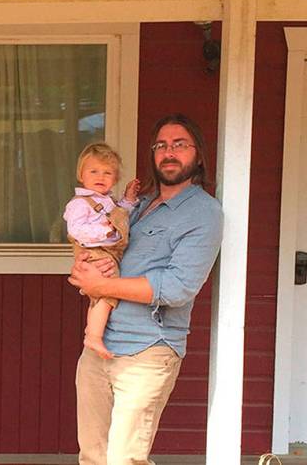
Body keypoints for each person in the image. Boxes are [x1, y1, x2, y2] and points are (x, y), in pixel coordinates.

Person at [69, 114, 223, 465]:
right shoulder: (138, 205)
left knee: (125, 459)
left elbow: (178, 287)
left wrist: (103, 284)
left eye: (179, 144)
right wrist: (84, 268)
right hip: (99, 347)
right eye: (161, 145)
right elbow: (106, 249)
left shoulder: (203, 212)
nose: (169, 152)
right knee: (92, 456)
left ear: (198, 155)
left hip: (147, 350)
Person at [63, 143, 141, 360]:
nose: (100, 176)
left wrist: (129, 199)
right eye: (94, 171)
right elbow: (76, 230)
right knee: (107, 290)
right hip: (95, 252)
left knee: (104, 292)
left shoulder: (107, 202)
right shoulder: (80, 204)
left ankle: (95, 332)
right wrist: (104, 231)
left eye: (107, 173)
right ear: (81, 175)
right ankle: (93, 335)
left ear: (115, 178)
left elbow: (120, 216)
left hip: (110, 252)